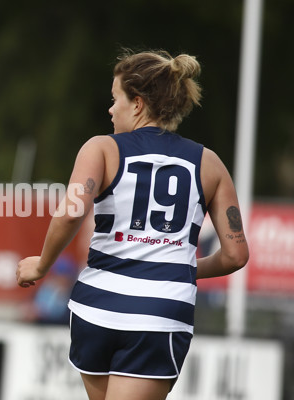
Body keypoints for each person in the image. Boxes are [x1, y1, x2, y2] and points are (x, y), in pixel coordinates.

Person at [16, 49, 249, 400]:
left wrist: (41, 264)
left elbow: (70, 212)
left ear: (137, 103)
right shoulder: (210, 164)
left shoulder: (101, 149)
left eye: (115, 99)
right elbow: (235, 255)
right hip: (161, 314)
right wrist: (177, 266)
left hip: (96, 308)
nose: (111, 109)